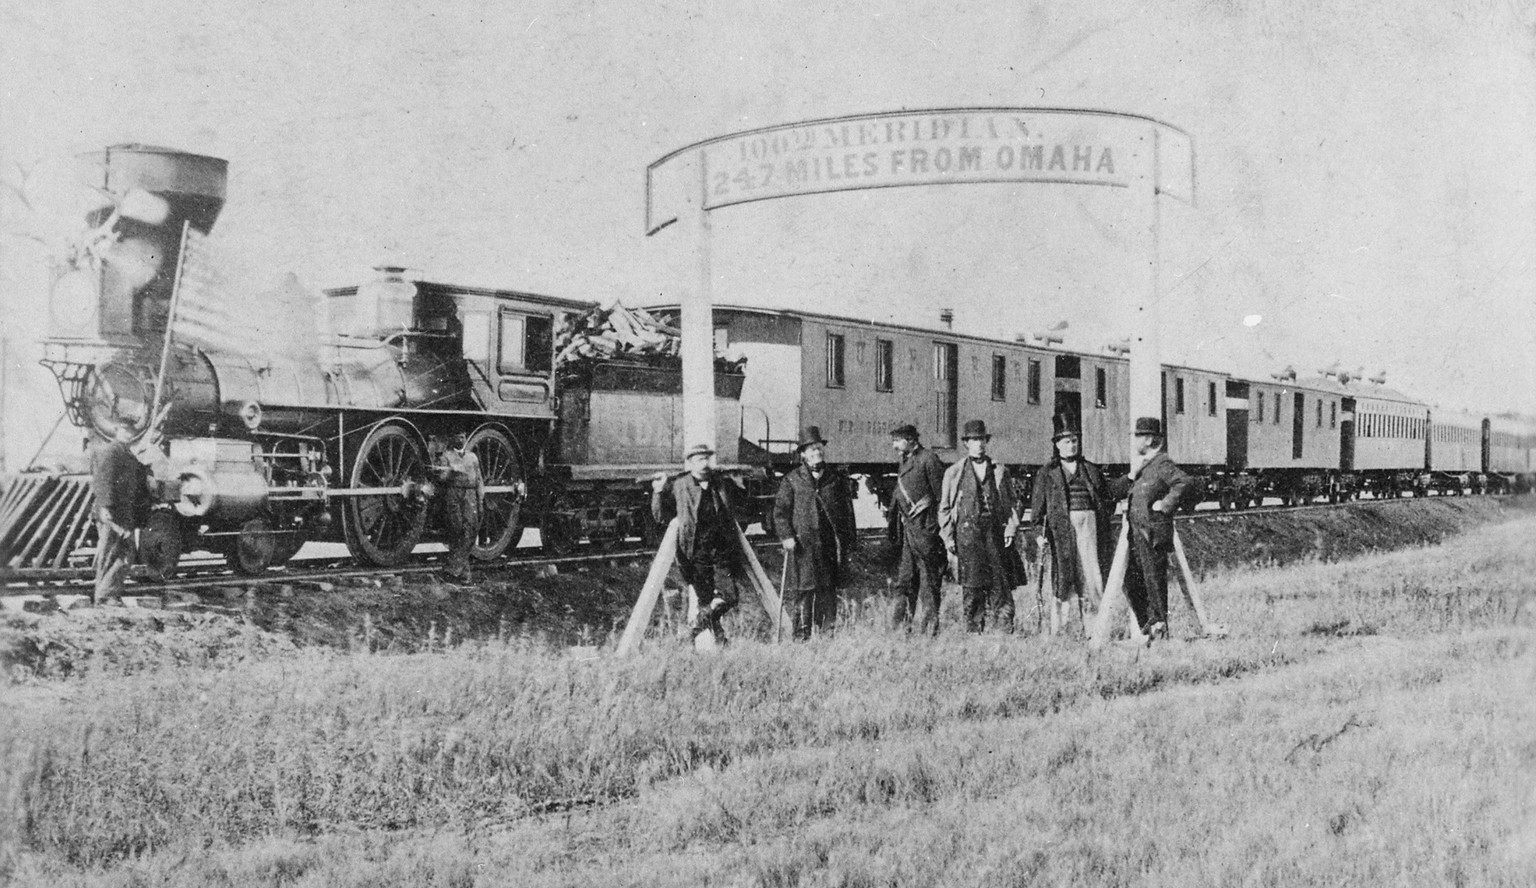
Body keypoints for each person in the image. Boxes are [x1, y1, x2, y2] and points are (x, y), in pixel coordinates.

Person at [1108, 417, 1194, 640]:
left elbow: (1183, 482)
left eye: (1137, 436)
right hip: (1137, 533)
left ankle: (1160, 630)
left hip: (1153, 533)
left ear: (1148, 439)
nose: (1134, 440)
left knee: (1154, 583)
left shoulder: (1162, 463)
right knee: (1131, 581)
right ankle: (1149, 627)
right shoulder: (1145, 464)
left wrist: (1165, 505)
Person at [1029, 413, 1115, 635]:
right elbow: (1037, 513)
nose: (1071, 446)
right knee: (1062, 582)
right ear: (1057, 445)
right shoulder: (1047, 474)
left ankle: (1093, 631)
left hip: (1090, 532)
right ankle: (1061, 631)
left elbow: (1107, 502)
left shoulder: (1092, 471)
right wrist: (1040, 534)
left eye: (1075, 441)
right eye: (1066, 441)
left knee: (1091, 579)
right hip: (1062, 535)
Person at [652, 443, 744, 644]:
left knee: (729, 596)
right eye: (698, 460)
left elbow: (738, 507)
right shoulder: (680, 485)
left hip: (721, 550)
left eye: (706, 459)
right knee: (705, 600)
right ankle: (718, 641)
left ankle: (693, 630)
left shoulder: (719, 482)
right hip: (695, 552)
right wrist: (658, 493)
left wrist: (739, 485)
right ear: (690, 463)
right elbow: (661, 516)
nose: (703, 463)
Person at [773, 426, 858, 640]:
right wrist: (787, 537)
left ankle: (827, 634)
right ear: (802, 454)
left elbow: (847, 513)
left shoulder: (835, 479)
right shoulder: (792, 480)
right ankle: (801, 637)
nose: (816, 453)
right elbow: (780, 513)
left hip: (828, 546)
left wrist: (848, 542)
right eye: (811, 450)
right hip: (803, 547)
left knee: (828, 590)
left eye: (818, 448)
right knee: (804, 591)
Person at [939, 420, 1019, 633]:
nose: (979, 444)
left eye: (982, 439)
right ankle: (973, 633)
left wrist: (1010, 528)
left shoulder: (1000, 470)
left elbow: (1012, 504)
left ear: (987, 441)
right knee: (972, 587)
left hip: (994, 534)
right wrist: (948, 538)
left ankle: (1003, 632)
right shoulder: (954, 472)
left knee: (999, 585)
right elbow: (945, 508)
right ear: (966, 443)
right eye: (974, 440)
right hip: (967, 536)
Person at [886, 424, 948, 635]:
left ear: (911, 440)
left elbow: (942, 496)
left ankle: (930, 631)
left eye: (898, 441)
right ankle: (901, 629)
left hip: (926, 532)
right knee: (905, 581)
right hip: (909, 534)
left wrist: (933, 523)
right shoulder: (906, 460)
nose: (894, 445)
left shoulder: (928, 459)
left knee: (929, 583)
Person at [89, 418, 151, 605]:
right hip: (113, 514)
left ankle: (106, 594)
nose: (128, 434)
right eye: (124, 430)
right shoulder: (112, 451)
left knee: (122, 554)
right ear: (116, 431)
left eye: (131, 432)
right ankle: (106, 595)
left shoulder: (127, 453)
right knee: (114, 553)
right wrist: (105, 507)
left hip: (124, 514)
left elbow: (137, 478)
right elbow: (103, 481)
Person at [434, 430, 484, 582]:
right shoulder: (446, 457)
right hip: (454, 493)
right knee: (457, 529)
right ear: (452, 439)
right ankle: (464, 574)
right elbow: (441, 478)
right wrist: (450, 471)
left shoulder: (472, 457)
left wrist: (480, 499)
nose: (461, 440)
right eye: (458, 437)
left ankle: (453, 570)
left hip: (470, 494)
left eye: (463, 437)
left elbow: (479, 478)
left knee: (470, 530)